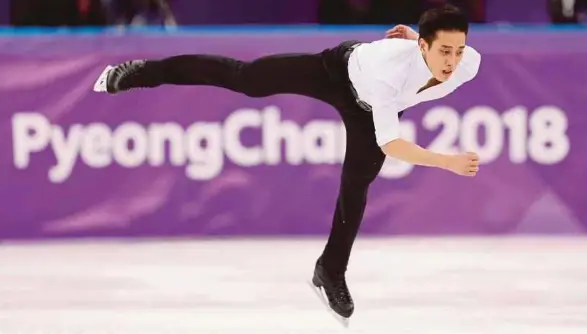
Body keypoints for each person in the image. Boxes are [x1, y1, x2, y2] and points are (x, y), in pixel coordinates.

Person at [93, 4, 481, 320]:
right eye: (443, 51)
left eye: (457, 50)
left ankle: (330, 271)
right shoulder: (389, 75)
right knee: (248, 78)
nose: (451, 61)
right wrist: (447, 162)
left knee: (357, 184)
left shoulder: (467, 63)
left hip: (373, 105)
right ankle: (142, 72)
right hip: (338, 70)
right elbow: (393, 143)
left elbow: (444, 62)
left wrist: (419, 39)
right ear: (424, 50)